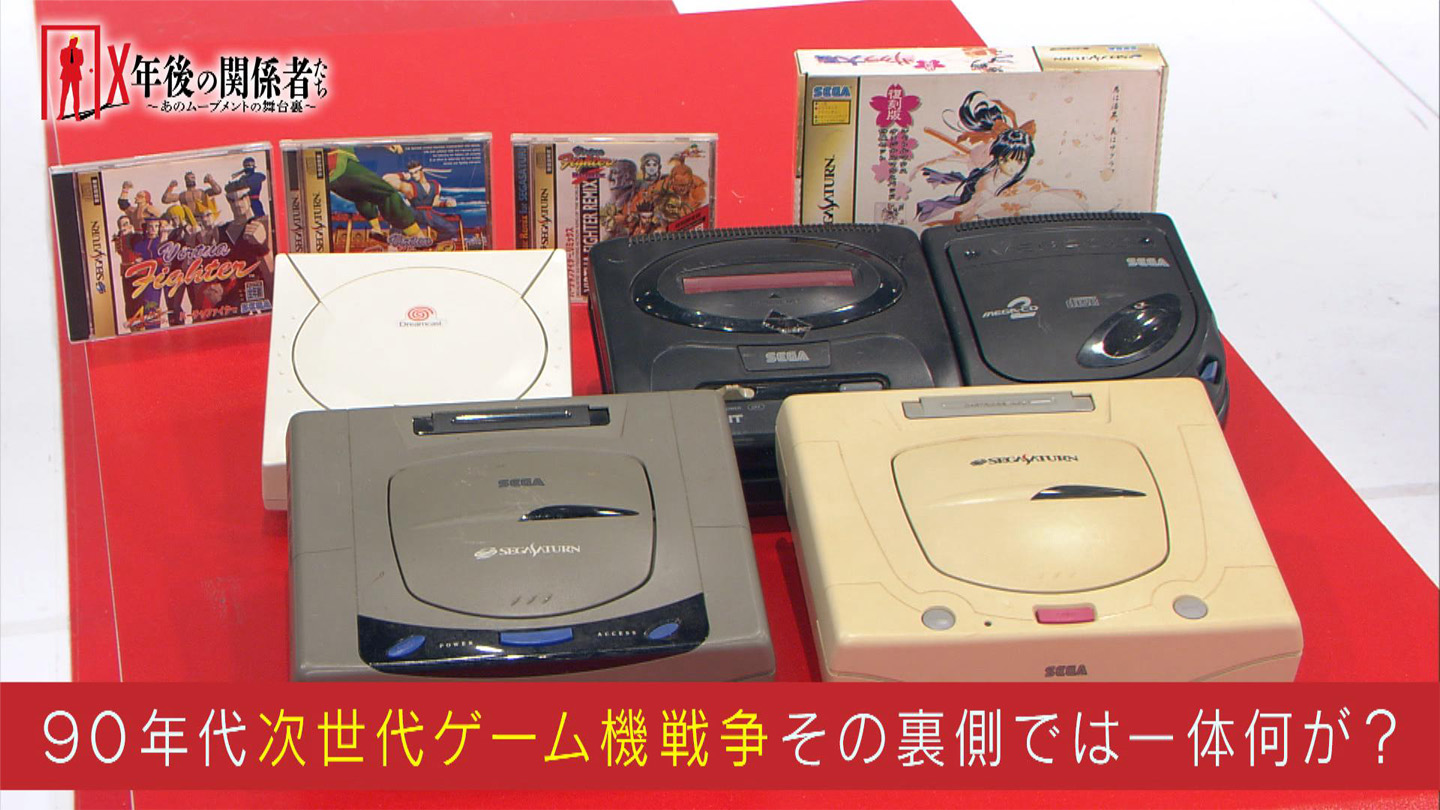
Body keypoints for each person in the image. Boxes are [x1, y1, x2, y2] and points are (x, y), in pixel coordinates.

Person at [58, 35, 83, 120]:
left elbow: (81, 62)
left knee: (76, 95)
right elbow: (62, 62)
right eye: (73, 41)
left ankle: (76, 114)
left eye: (75, 42)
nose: (74, 43)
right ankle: (61, 113)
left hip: (75, 75)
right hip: (66, 75)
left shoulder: (79, 51)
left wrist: (72, 64)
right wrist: (71, 65)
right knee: (64, 95)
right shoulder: (64, 51)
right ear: (70, 41)